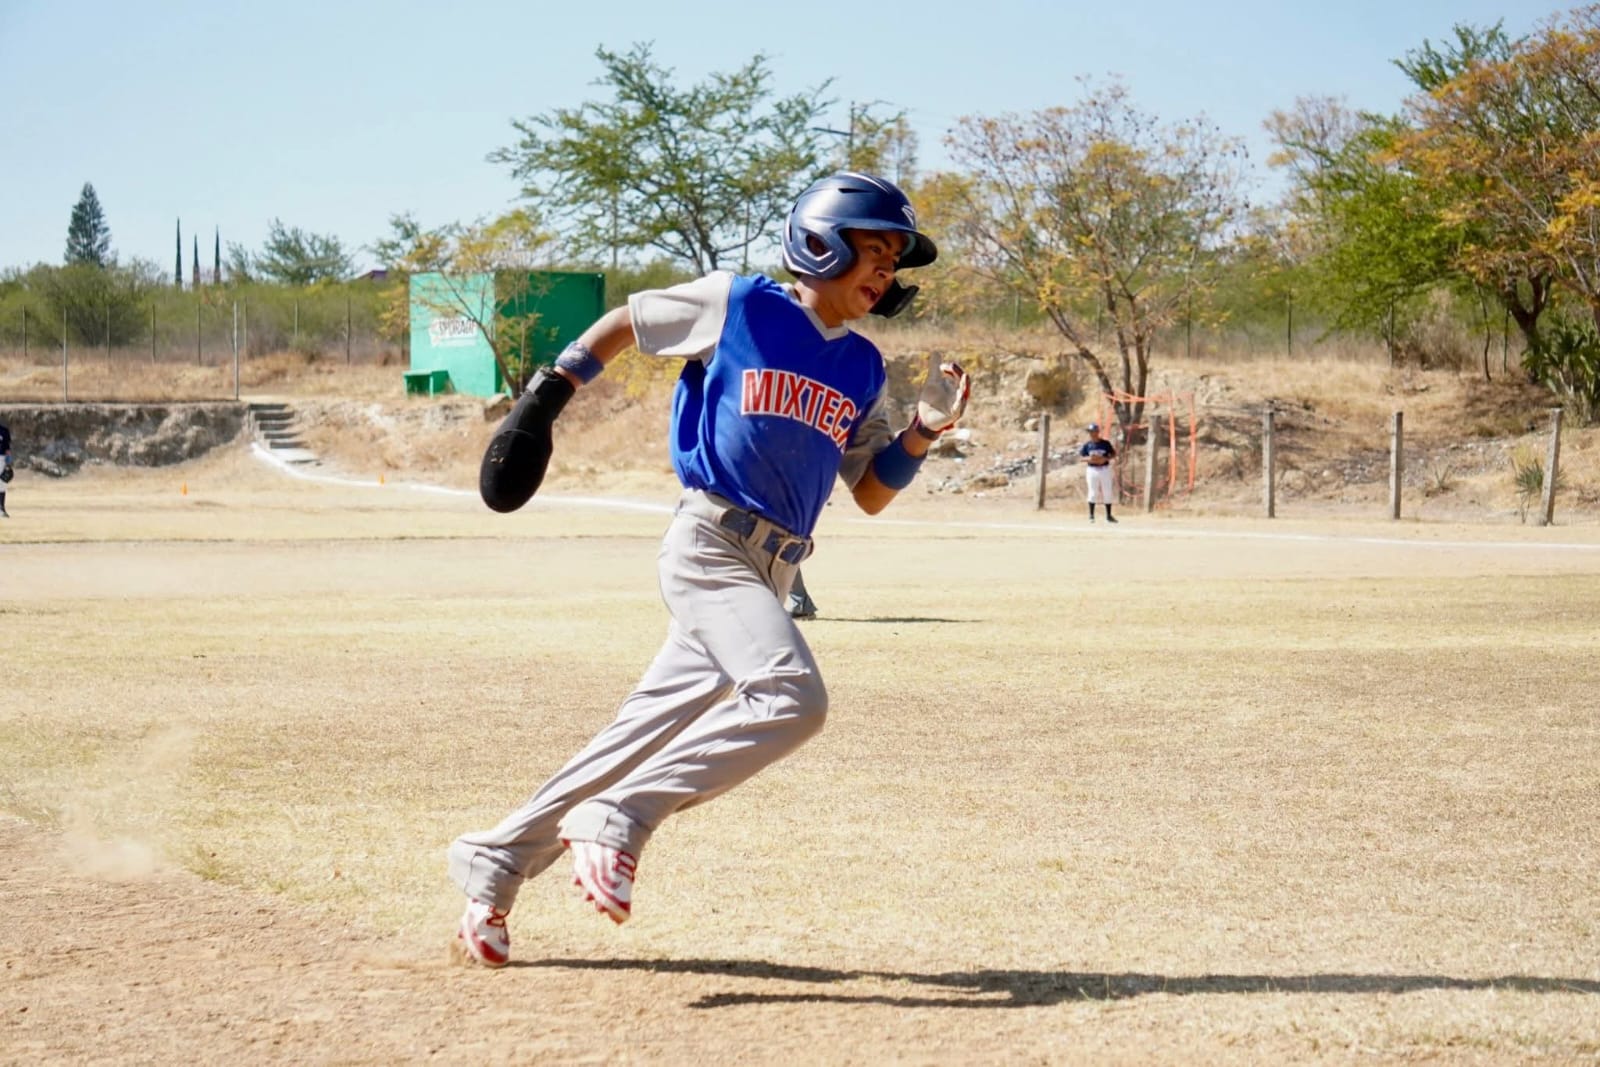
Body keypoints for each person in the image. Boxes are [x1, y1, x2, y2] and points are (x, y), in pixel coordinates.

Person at [447, 172, 970, 967]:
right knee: (793, 699)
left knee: (635, 735)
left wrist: (924, 431)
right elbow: (630, 320)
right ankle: (620, 817)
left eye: (894, 261)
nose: (884, 273)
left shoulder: (863, 366)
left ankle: (496, 861)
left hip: (774, 573)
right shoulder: (743, 304)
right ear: (821, 241)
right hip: (710, 545)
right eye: (873, 250)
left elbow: (867, 491)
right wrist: (550, 394)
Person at [1080, 422, 1116, 523]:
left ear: (1098, 432)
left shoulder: (1105, 444)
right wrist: (1090, 459)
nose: (1092, 434)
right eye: (1091, 432)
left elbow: (1113, 454)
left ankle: (1108, 516)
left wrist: (1105, 458)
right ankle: (1091, 515)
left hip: (1104, 468)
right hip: (1092, 469)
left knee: (1107, 491)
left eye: (1094, 431)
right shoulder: (1087, 445)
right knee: (1093, 492)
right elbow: (1081, 457)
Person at [0, 418, 12, 518]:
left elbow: (7, 448)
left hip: (1, 459)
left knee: (2, 484)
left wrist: (8, 463)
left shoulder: (4, 431)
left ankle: (1, 508)